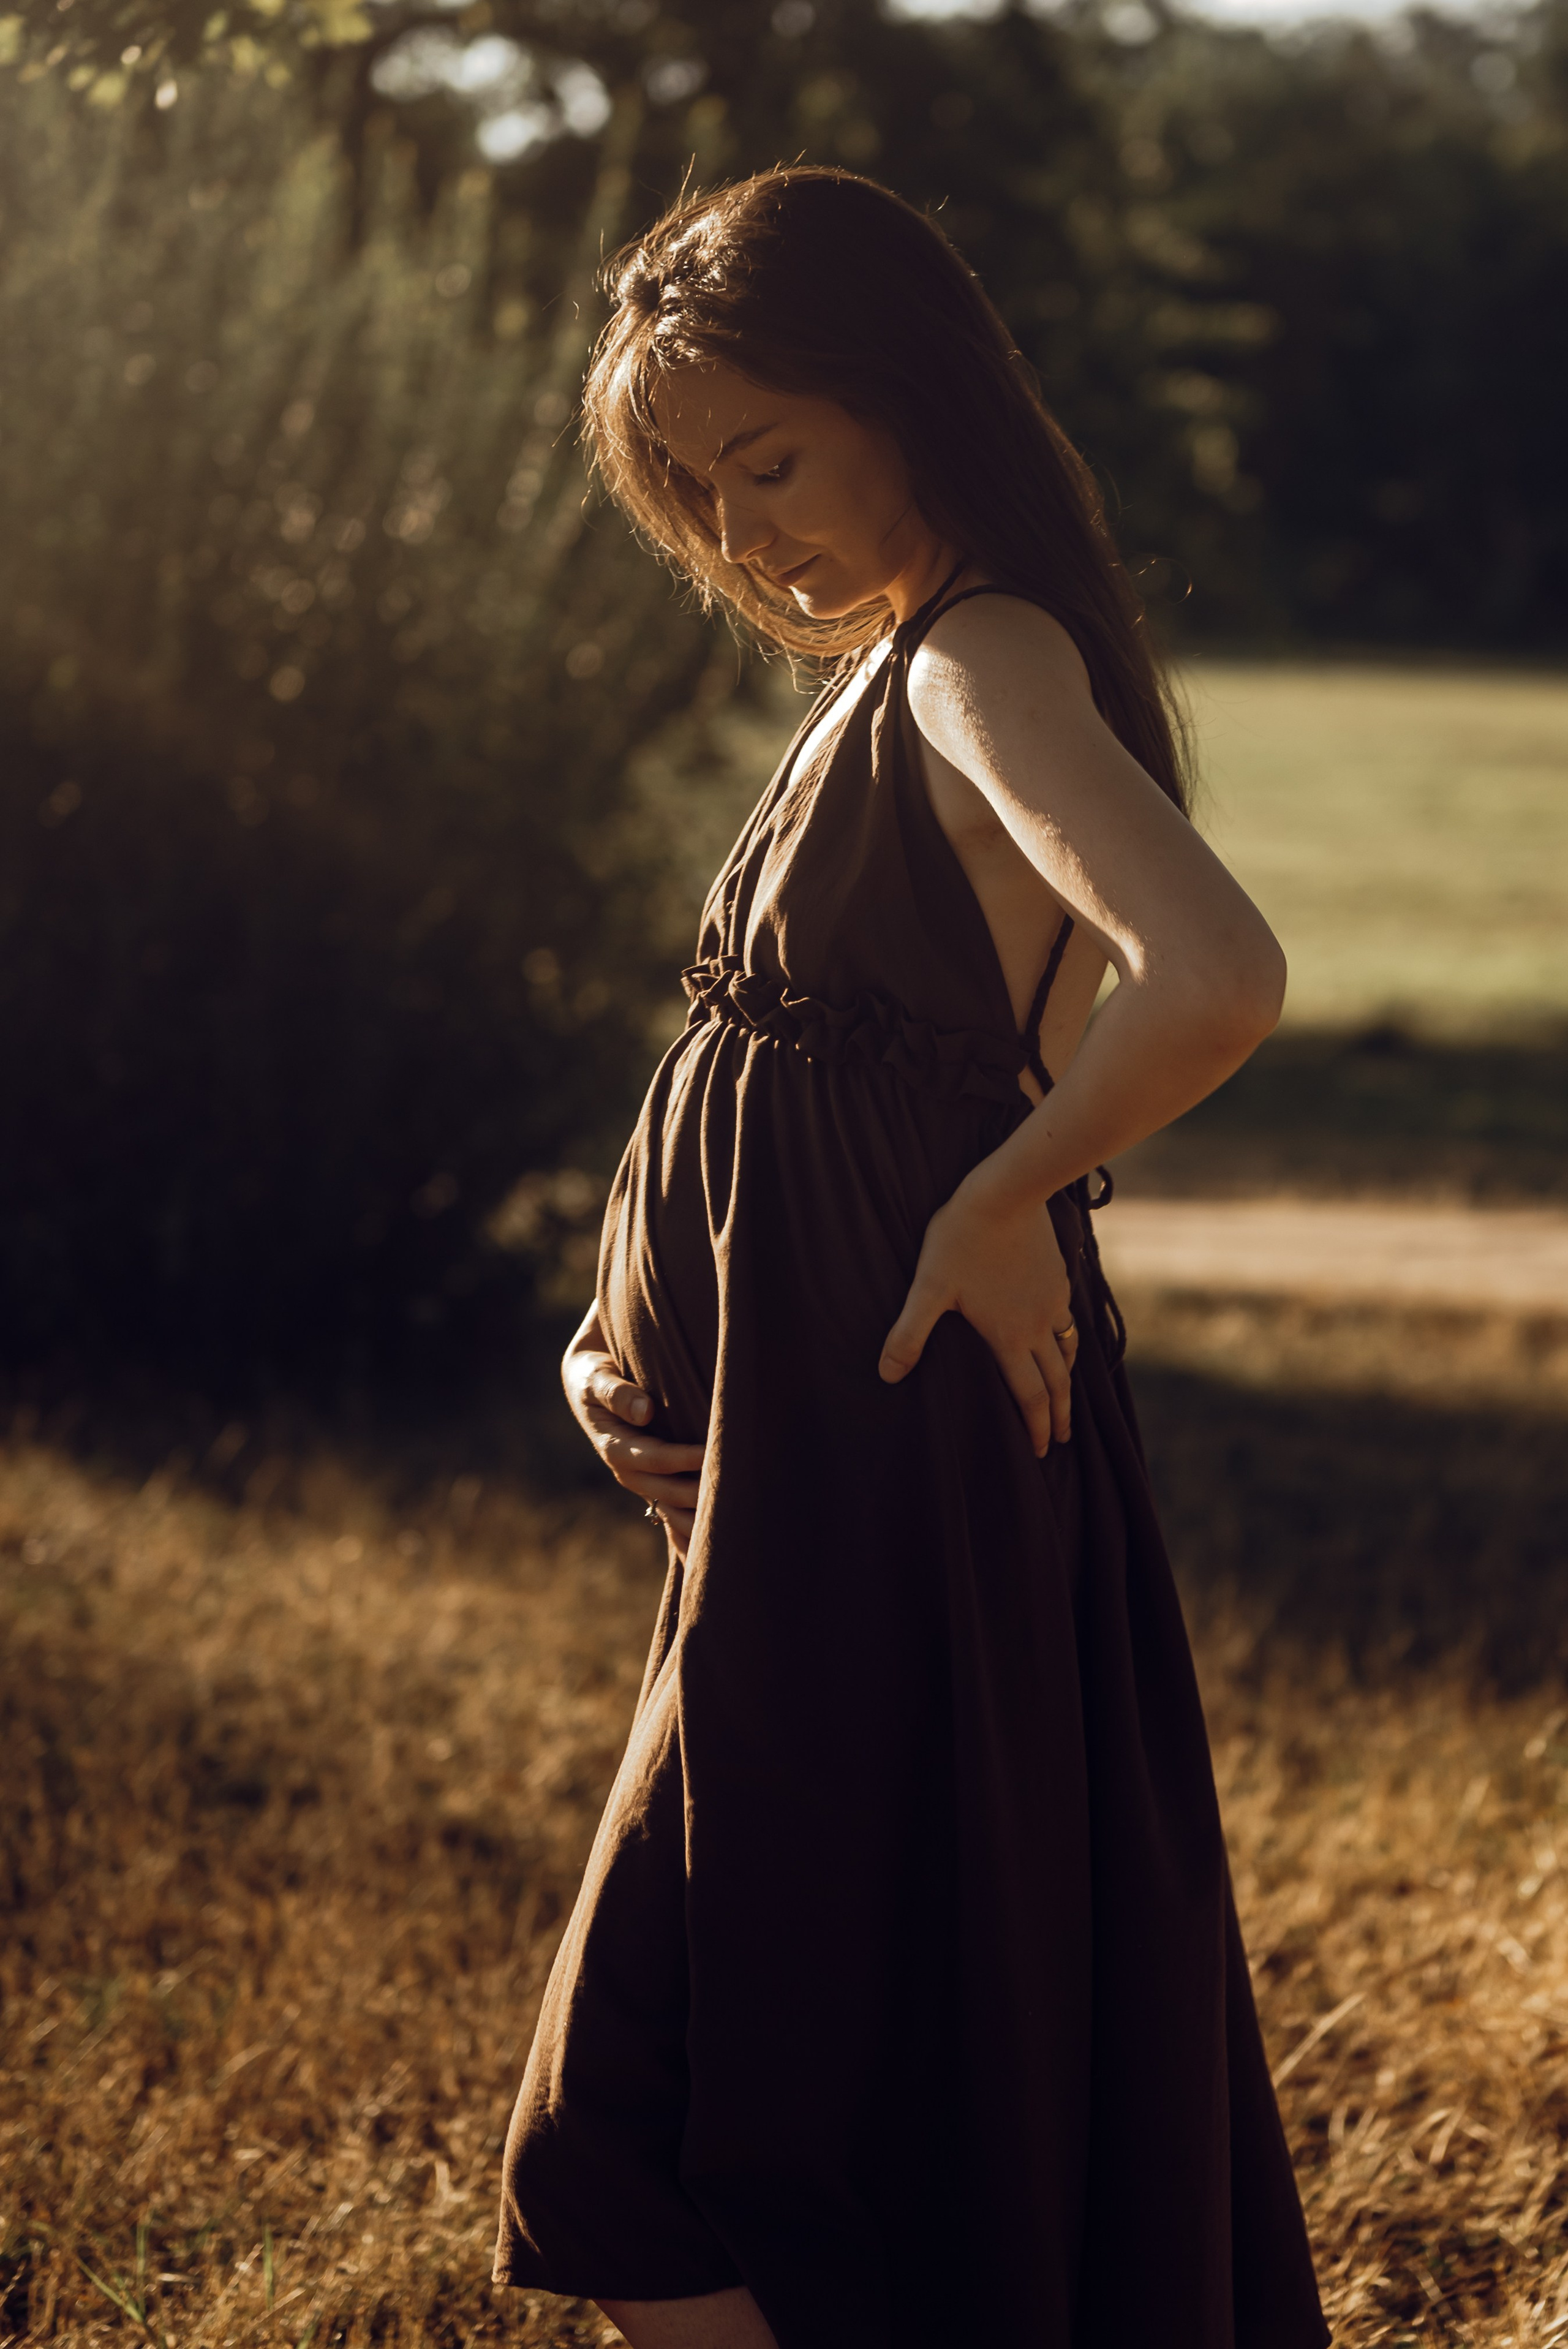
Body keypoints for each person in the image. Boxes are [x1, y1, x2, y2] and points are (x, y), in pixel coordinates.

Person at [493, 167, 1329, 2349]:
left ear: (908, 391)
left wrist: (1000, 1199)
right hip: (807, 1465)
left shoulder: (979, 659)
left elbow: (1213, 974)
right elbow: (786, 1080)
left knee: (652, 2117)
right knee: (845, 2069)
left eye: (769, 456)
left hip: (899, 1471)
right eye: (694, 486)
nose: (740, 525)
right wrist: (631, 1335)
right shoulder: (894, 670)